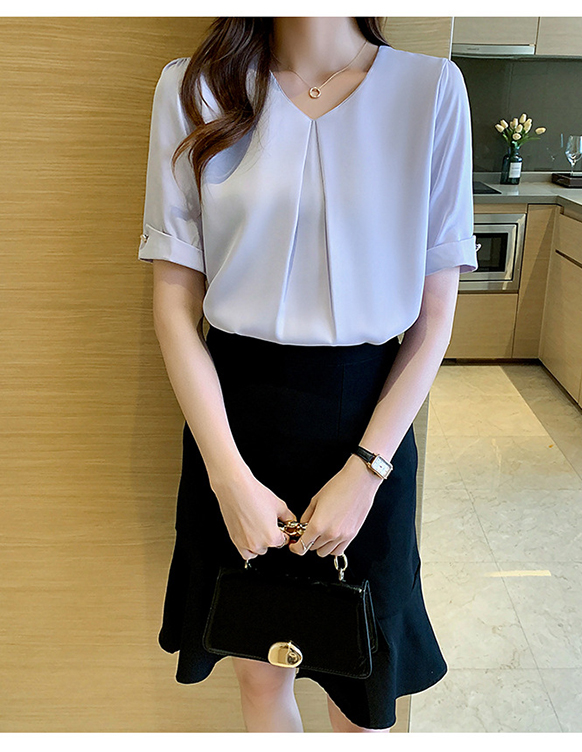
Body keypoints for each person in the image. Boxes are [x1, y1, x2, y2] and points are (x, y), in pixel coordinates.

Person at [138, 16, 479, 733]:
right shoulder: (194, 88)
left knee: (364, 696)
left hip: (372, 419)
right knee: (259, 672)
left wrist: (367, 471)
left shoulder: (431, 90)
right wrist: (228, 479)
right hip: (233, 419)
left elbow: (434, 319)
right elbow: (173, 308)